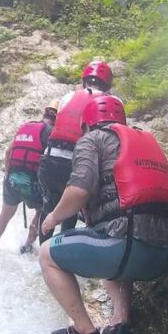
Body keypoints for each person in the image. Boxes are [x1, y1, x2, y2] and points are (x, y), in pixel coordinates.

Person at [38, 94, 168, 334]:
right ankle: (120, 321)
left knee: (47, 254)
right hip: (165, 255)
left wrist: (52, 218)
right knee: (111, 233)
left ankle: (83, 331)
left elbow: (79, 191)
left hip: (124, 249)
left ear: (86, 125)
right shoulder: (146, 143)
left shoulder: (91, 139)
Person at [37, 60, 113, 243]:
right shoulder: (110, 101)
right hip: (76, 163)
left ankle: (43, 256)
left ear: (84, 80)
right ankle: (58, 256)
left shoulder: (68, 96)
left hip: (49, 160)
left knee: (49, 208)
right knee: (69, 210)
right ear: (107, 85)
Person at [0, 102, 58, 254]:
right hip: (32, 182)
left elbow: (8, 153)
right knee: (41, 211)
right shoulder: (51, 132)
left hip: (12, 179)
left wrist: (8, 175)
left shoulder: (28, 127)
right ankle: (27, 245)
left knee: (5, 213)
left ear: (44, 114)